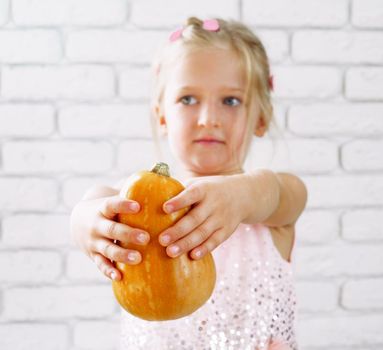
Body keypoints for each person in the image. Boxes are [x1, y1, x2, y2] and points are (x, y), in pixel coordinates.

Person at [69, 17, 307, 350]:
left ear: (261, 118)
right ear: (162, 116)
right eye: (188, 99)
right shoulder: (136, 204)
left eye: (231, 101)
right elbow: (94, 201)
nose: (208, 118)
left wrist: (241, 195)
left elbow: (279, 194)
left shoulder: (269, 203)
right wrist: (83, 220)